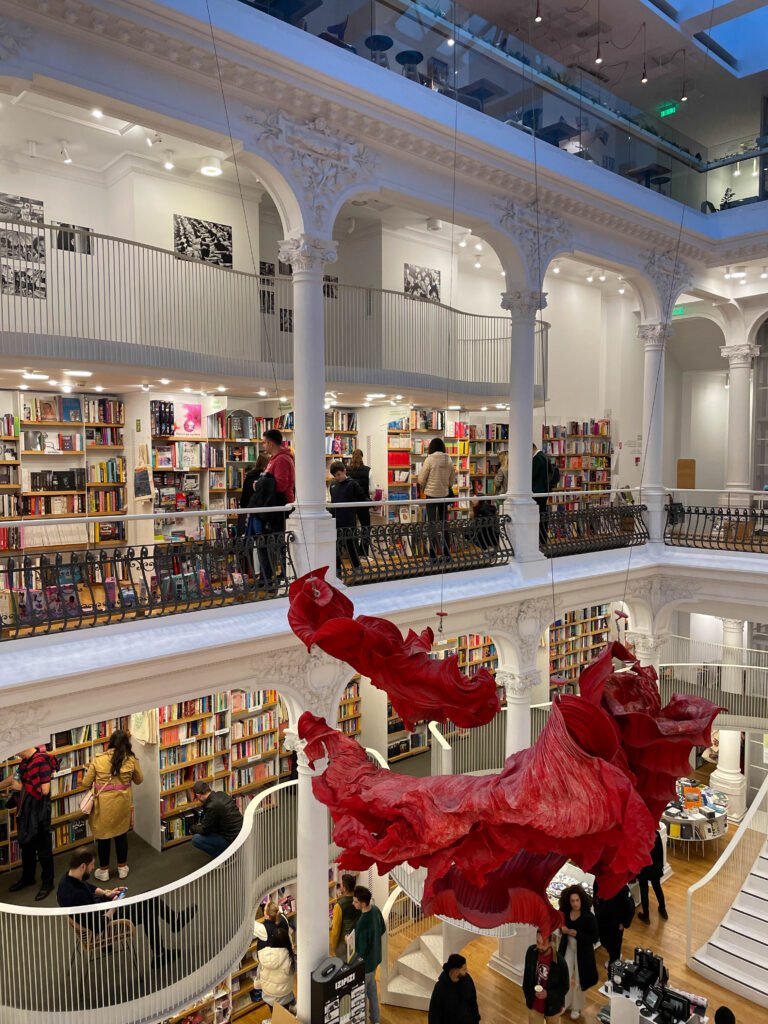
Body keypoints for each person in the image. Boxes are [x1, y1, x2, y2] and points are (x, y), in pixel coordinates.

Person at [57, 847, 193, 962]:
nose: (93, 868)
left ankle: (164, 942)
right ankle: (161, 950)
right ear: (83, 866)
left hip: (100, 910)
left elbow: (88, 887)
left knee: (148, 900)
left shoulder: (67, 880)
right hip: (107, 923)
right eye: (92, 865)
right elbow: (97, 926)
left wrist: (106, 894)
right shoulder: (77, 896)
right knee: (149, 903)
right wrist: (112, 908)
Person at [83, 729, 143, 882]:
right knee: (121, 835)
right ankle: (122, 868)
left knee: (104, 837)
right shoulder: (131, 760)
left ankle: (104, 871)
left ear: (110, 743)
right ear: (127, 744)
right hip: (122, 803)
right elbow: (139, 780)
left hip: (104, 804)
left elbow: (86, 783)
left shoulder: (98, 759)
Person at [8, 746, 55, 901]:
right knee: (27, 846)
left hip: (39, 813)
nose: (14, 754)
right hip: (26, 812)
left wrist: (21, 787)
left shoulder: (41, 761)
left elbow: (45, 790)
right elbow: (13, 778)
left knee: (43, 850)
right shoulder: (25, 762)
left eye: (16, 751)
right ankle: (28, 878)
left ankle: (48, 883)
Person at [251, 429, 295, 583]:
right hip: (272, 506)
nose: (263, 445)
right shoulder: (274, 459)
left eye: (263, 442)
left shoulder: (281, 459)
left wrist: (260, 485)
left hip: (278, 507)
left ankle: (281, 576)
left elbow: (282, 485)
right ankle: (267, 576)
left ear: (270, 443)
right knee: (268, 542)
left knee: (278, 543)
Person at [558, 884, 599, 1020]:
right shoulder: (565, 912)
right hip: (568, 947)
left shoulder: (588, 917)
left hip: (583, 951)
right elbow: (557, 922)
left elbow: (594, 938)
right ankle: (565, 1003)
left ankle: (576, 1007)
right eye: (572, 901)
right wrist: (562, 928)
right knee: (565, 976)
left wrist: (578, 934)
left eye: (577, 900)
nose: (575, 903)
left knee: (580, 980)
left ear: (581, 900)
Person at [353, 885, 386, 1024]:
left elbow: (361, 949)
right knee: (372, 991)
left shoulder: (362, 922)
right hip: (376, 959)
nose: (353, 903)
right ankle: (375, 1020)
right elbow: (382, 929)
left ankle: (365, 1021)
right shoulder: (376, 910)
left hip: (366, 965)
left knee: (361, 996)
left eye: (355, 901)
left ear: (362, 902)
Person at [418, 437, 456, 561]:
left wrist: (425, 486)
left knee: (432, 525)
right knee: (445, 524)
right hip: (444, 495)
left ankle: (433, 555)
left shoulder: (429, 459)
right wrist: (445, 485)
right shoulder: (449, 459)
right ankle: (446, 554)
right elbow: (452, 481)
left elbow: (421, 479)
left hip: (431, 496)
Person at [523, 929, 569, 1024]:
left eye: (543, 943)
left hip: (552, 1006)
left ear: (551, 942)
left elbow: (565, 987)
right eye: (537, 942)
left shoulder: (560, 963)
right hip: (534, 1004)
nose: (539, 946)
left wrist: (548, 994)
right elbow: (527, 976)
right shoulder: (531, 952)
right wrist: (528, 995)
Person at [190, 780, 243, 857]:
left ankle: (225, 858)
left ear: (198, 796)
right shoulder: (221, 794)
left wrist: (192, 828)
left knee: (196, 839)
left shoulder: (212, 806)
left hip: (232, 839)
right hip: (240, 831)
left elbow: (204, 830)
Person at [329, 460, 365, 575]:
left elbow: (361, 498)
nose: (337, 477)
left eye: (339, 474)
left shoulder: (352, 484)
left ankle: (357, 567)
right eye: (335, 476)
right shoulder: (333, 485)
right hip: (336, 521)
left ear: (344, 471)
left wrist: (372, 504)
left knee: (351, 546)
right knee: (336, 547)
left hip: (349, 521)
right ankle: (337, 569)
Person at [255, 921, 297, 1016]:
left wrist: (258, 985)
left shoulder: (263, 954)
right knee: (284, 1013)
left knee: (274, 1012)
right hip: (284, 995)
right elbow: (295, 970)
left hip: (267, 994)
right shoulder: (289, 957)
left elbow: (259, 973)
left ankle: (275, 1018)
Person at [428, 952, 480, 1024]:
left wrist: (476, 1019)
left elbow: (473, 1001)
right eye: (464, 969)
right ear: (456, 972)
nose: (467, 971)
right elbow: (434, 1013)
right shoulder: (440, 988)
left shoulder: (468, 979)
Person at [594, 881, 634, 966]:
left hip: (616, 924)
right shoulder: (598, 881)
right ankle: (615, 956)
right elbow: (595, 897)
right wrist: (597, 911)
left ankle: (615, 962)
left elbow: (630, 906)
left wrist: (624, 923)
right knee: (604, 941)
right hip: (602, 920)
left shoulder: (622, 887)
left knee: (615, 946)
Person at [637, 830, 668, 924]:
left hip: (643, 867)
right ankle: (662, 909)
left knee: (644, 891)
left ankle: (646, 916)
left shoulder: (638, 835)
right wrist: (661, 866)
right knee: (657, 888)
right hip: (655, 866)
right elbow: (660, 851)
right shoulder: (655, 833)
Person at [237, 453, 269, 536]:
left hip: (247, 510)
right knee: (259, 537)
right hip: (258, 512)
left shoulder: (249, 476)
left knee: (249, 538)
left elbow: (244, 497)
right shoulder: (264, 479)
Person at [329, 872, 360, 959]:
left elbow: (335, 930)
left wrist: (334, 947)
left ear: (345, 888)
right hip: (357, 940)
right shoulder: (359, 900)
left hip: (344, 944)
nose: (340, 886)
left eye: (341, 885)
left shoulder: (339, 905)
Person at [347, 449, 372, 556]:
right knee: (365, 527)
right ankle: (363, 553)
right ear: (362, 457)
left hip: (350, 503)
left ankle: (354, 553)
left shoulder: (346, 470)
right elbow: (372, 489)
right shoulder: (368, 470)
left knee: (352, 528)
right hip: (363, 502)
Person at [532, 443, 558, 546]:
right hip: (544, 491)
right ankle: (543, 539)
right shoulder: (545, 457)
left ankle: (540, 540)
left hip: (537, 492)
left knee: (538, 516)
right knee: (542, 514)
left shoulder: (538, 458)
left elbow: (532, 474)